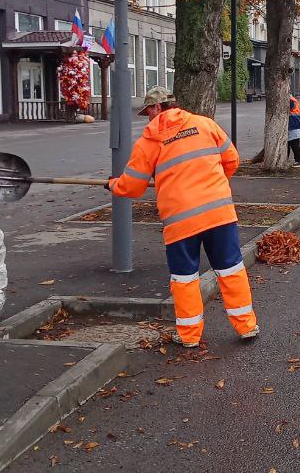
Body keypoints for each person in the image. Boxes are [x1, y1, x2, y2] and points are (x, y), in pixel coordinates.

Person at [108, 87, 259, 348]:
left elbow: (132, 186)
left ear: (157, 108)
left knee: (185, 278)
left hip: (181, 221)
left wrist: (113, 185)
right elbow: (231, 160)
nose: (147, 118)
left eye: (148, 112)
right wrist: (211, 184)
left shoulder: (150, 140)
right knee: (231, 269)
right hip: (219, 214)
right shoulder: (205, 124)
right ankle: (246, 327)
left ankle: (189, 336)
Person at [287, 93, 300, 167]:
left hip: (293, 125)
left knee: (293, 144)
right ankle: (297, 161)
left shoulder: (290, 100)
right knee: (290, 144)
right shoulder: (293, 99)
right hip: (295, 125)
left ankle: (298, 161)